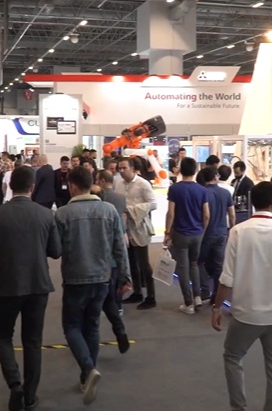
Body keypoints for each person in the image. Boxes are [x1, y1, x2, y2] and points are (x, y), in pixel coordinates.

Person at [211, 181, 272, 411]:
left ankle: (239, 407)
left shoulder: (238, 232)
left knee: (233, 356)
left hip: (245, 313)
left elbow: (227, 278)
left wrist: (216, 307)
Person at [0, 167, 61, 411]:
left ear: (10, 186)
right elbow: (56, 251)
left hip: (6, 285)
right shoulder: (46, 215)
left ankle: (15, 384)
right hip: (38, 285)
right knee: (33, 341)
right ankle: (30, 396)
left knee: (3, 336)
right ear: (32, 187)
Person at [55, 167, 128, 405]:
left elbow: (56, 249)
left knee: (72, 327)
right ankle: (86, 377)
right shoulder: (109, 210)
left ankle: (88, 369)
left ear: (73, 186)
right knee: (93, 326)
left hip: (75, 278)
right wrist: (125, 275)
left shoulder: (63, 214)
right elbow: (120, 246)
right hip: (102, 278)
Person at [165, 157, 210, 313]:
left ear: (181, 170)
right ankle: (197, 297)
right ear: (195, 170)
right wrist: (202, 230)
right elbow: (206, 215)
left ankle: (188, 303)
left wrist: (167, 232)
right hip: (197, 233)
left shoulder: (175, 189)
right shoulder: (202, 190)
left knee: (183, 268)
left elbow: (171, 213)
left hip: (180, 233)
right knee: (194, 264)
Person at [116, 157, 158, 310]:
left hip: (139, 226)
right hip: (125, 227)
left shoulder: (143, 184)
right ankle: (137, 292)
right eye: (119, 168)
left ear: (133, 169)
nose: (121, 171)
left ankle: (151, 296)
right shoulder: (119, 184)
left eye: (124, 168)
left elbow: (153, 204)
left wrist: (133, 209)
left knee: (143, 263)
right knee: (131, 262)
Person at [96, 170, 131, 352]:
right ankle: (119, 328)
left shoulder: (100, 201)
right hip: (113, 253)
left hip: (97, 260)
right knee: (109, 298)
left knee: (91, 308)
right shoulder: (120, 199)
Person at [198, 167, 235, 302]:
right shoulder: (226, 193)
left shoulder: (202, 192)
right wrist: (231, 229)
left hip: (206, 233)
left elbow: (204, 215)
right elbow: (232, 214)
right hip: (221, 232)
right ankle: (216, 296)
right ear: (215, 177)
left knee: (199, 262)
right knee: (219, 266)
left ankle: (204, 289)